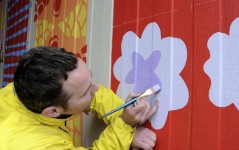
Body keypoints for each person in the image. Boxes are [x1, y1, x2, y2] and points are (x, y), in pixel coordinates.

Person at [0, 46, 158, 149]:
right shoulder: (31, 145)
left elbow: (90, 92)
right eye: (86, 91)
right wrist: (124, 125)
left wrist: (128, 127)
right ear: (53, 111)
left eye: (90, 78)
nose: (96, 89)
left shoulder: (28, 85)